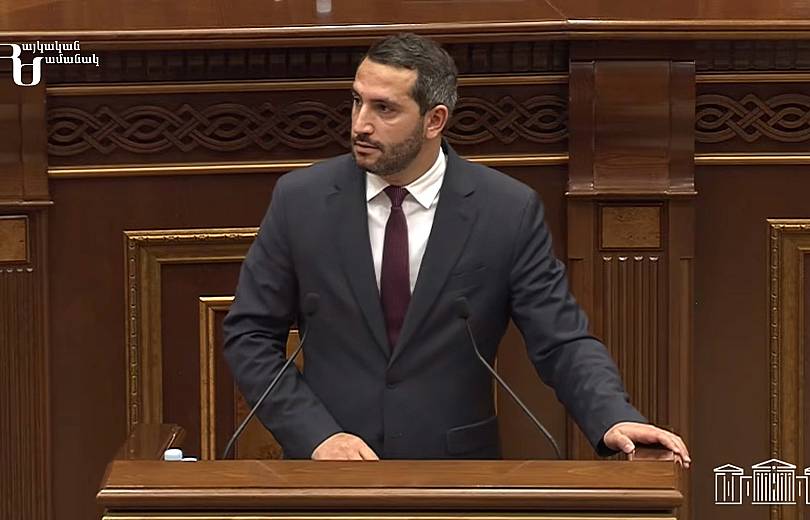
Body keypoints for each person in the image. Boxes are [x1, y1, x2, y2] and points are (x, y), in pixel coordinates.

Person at [223, 33, 691, 465]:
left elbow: (561, 340)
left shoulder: (505, 210)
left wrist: (612, 416)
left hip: (458, 473)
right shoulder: (301, 201)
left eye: (384, 109)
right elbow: (250, 335)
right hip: (328, 472)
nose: (361, 124)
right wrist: (316, 435)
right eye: (357, 101)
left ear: (435, 120)